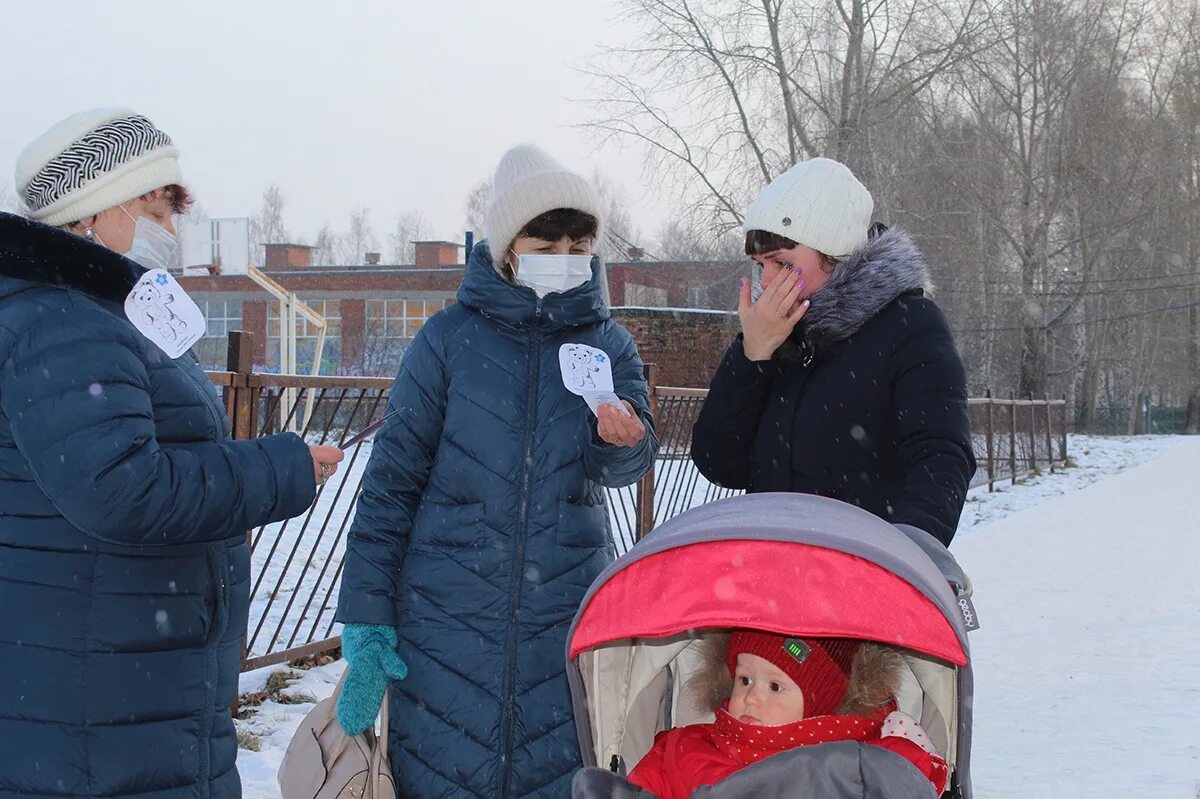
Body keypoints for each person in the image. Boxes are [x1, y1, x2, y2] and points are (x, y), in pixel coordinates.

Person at [0, 108, 343, 799]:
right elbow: (120, 487)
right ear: (95, 210)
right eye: (159, 206)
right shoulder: (66, 322)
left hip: (125, 682)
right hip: (97, 704)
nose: (172, 227)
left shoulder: (93, 311)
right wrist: (277, 469)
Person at [334, 144, 658, 797]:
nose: (564, 256)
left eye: (579, 243)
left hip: (563, 625)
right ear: (509, 243)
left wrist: (624, 439)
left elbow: (627, 462)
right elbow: (390, 484)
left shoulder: (607, 343)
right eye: (547, 239)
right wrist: (368, 619)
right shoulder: (447, 341)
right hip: (444, 632)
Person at [691, 157, 975, 545]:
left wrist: (906, 556)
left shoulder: (910, 324)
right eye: (760, 265)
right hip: (770, 571)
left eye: (781, 262)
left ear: (833, 254)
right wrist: (750, 357)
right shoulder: (775, 335)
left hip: (862, 573)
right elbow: (720, 462)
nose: (768, 281)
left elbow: (940, 457)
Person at [628, 632, 948, 798]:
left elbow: (906, 778)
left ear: (820, 704)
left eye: (775, 687)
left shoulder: (853, 762)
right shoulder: (686, 748)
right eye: (745, 680)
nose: (752, 696)